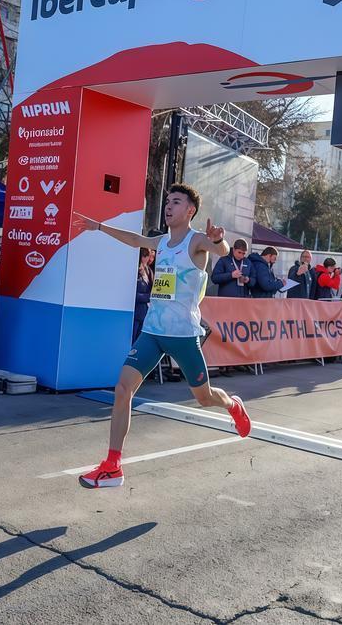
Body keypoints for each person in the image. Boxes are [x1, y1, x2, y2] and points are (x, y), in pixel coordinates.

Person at [71, 184, 252, 489]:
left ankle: (233, 405)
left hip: (183, 336)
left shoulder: (196, 242)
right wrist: (99, 227)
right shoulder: (163, 242)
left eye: (176, 202)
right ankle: (113, 465)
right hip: (153, 332)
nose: (169, 206)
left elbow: (219, 251)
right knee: (122, 388)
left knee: (205, 398)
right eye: (167, 201)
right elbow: (134, 239)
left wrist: (219, 240)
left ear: (190, 210)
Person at [132, 247, 154, 342]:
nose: (147, 258)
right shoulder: (134, 271)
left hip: (145, 315)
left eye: (148, 255)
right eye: (144, 255)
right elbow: (133, 295)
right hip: (134, 316)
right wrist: (149, 297)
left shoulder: (149, 271)